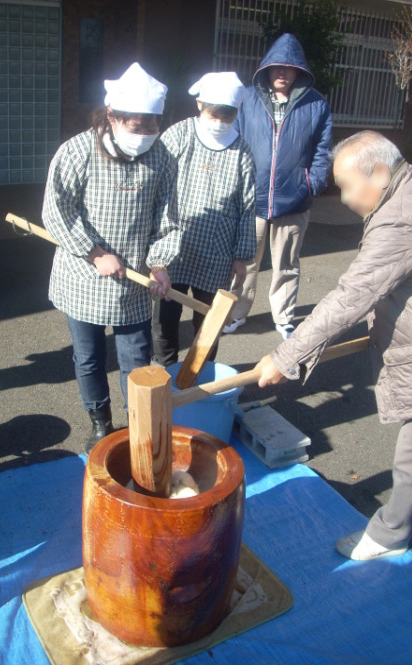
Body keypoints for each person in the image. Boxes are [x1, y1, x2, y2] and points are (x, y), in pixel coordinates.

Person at [255, 130, 412, 561]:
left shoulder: (401, 217)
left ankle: (388, 535)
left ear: (378, 172)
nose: (341, 198)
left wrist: (285, 356)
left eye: (343, 185)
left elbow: (351, 296)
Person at [43, 63, 180, 454]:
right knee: (88, 357)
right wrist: (95, 252)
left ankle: (138, 426)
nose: (145, 134)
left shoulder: (163, 158)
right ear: (112, 117)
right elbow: (57, 211)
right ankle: (100, 422)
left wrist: (159, 264)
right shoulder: (77, 151)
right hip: (83, 275)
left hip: (134, 280)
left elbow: (168, 218)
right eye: (136, 126)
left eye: (152, 125)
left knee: (136, 360)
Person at [224, 33, 332, 340]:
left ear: (299, 70)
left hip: (295, 199)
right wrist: (238, 186)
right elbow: (235, 142)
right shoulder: (248, 99)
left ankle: (284, 318)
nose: (281, 72)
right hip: (252, 200)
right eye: (276, 67)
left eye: (288, 67)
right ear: (266, 69)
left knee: (287, 263)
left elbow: (323, 150)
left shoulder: (316, 104)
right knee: (245, 262)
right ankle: (236, 313)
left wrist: (311, 184)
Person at [151, 72, 256, 366]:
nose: (221, 121)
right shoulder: (178, 135)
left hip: (217, 252)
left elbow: (248, 207)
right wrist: (153, 250)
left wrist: (241, 257)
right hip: (174, 248)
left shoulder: (241, 151)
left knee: (208, 325)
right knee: (165, 322)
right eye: (215, 113)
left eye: (229, 115)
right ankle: (164, 376)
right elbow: (155, 189)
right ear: (199, 104)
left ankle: (201, 379)